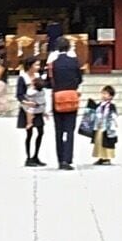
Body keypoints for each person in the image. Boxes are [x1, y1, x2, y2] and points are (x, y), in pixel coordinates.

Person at [46, 36, 85, 171]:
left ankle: (60, 159)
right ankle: (68, 158)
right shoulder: (74, 62)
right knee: (70, 130)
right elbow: (80, 79)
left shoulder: (53, 64)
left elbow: (49, 82)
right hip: (71, 96)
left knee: (58, 130)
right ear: (69, 48)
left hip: (57, 97)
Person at [16, 61, 46, 168]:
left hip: (38, 107)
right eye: (36, 65)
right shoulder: (22, 78)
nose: (38, 67)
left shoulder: (39, 76)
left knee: (41, 132)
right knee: (29, 134)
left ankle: (36, 155)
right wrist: (26, 102)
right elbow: (19, 94)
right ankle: (28, 157)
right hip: (27, 108)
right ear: (29, 66)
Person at [86, 83, 120, 164]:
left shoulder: (111, 106)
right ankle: (101, 157)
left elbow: (113, 115)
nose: (103, 95)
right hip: (99, 126)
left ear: (111, 96)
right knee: (99, 142)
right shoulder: (99, 105)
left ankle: (107, 158)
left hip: (107, 127)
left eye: (106, 94)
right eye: (103, 93)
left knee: (107, 142)